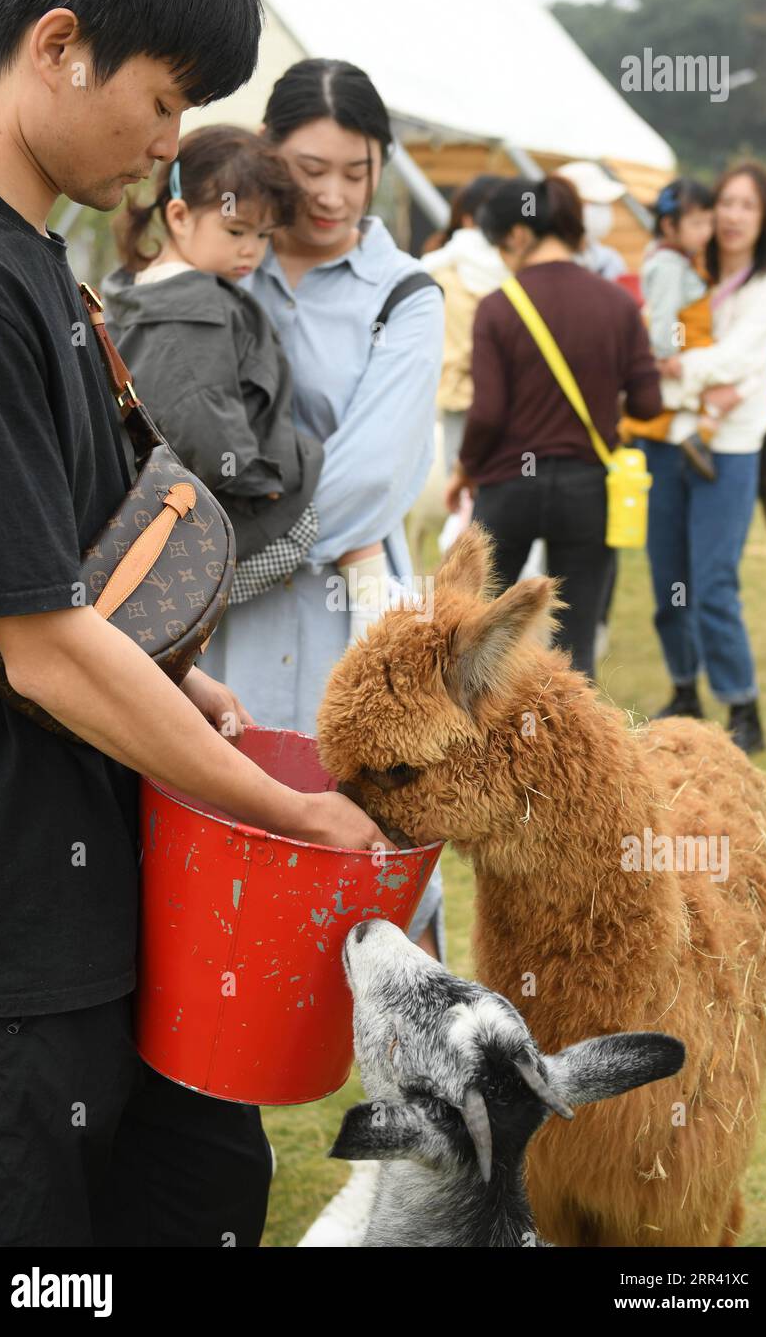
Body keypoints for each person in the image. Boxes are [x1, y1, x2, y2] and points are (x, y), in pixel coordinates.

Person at [0, 0, 386, 1249]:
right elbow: (42, 646)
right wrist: (281, 808)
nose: (169, 143)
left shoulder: (40, 262)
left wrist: (185, 684)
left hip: (109, 889)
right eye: (160, 99)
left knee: (201, 1184)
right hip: (10, 933)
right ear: (57, 45)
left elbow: (50, 573)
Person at [201, 58, 447, 961]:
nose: (335, 195)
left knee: (378, 850)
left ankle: (416, 1082)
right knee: (232, 832)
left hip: (352, 614)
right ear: (268, 154)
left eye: (358, 169)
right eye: (310, 170)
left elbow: (368, 482)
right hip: (227, 623)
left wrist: (220, 561)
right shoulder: (223, 274)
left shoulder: (406, 297)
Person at [101, 125, 326, 610]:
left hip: (163, 516)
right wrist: (259, 481)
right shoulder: (194, 307)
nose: (253, 250)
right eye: (236, 231)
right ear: (179, 216)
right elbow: (203, 424)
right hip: (237, 519)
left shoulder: (132, 291)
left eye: (264, 235)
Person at [445, 175, 662, 678]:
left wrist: (465, 470)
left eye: (500, 245)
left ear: (518, 237)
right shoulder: (618, 303)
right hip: (589, 489)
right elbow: (649, 403)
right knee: (575, 645)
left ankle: (477, 751)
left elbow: (488, 414)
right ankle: (574, 749)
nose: (503, 257)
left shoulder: (498, 306)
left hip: (508, 487)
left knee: (482, 639)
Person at [642, 161, 766, 754]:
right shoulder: (686, 269)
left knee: (712, 584)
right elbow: (659, 340)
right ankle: (684, 688)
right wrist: (693, 377)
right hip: (667, 442)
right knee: (666, 578)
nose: (732, 216)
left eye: (746, 206)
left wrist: (678, 371)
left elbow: (735, 359)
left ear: (764, 219)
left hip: (728, 451)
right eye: (724, 203)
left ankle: (742, 703)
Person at [619, 179, 727, 480]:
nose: (706, 232)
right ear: (669, 225)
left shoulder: (675, 257)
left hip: (685, 337)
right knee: (698, 395)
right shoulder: (669, 265)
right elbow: (666, 313)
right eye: (697, 224)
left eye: (709, 222)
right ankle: (695, 439)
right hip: (684, 341)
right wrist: (667, 352)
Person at [420, 175, 510, 474]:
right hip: (504, 392)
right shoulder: (514, 270)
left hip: (456, 390)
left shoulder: (435, 267)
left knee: (459, 476)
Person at [554, 159, 628, 281]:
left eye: (605, 203)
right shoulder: (547, 264)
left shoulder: (610, 261)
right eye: (595, 203)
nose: (603, 210)